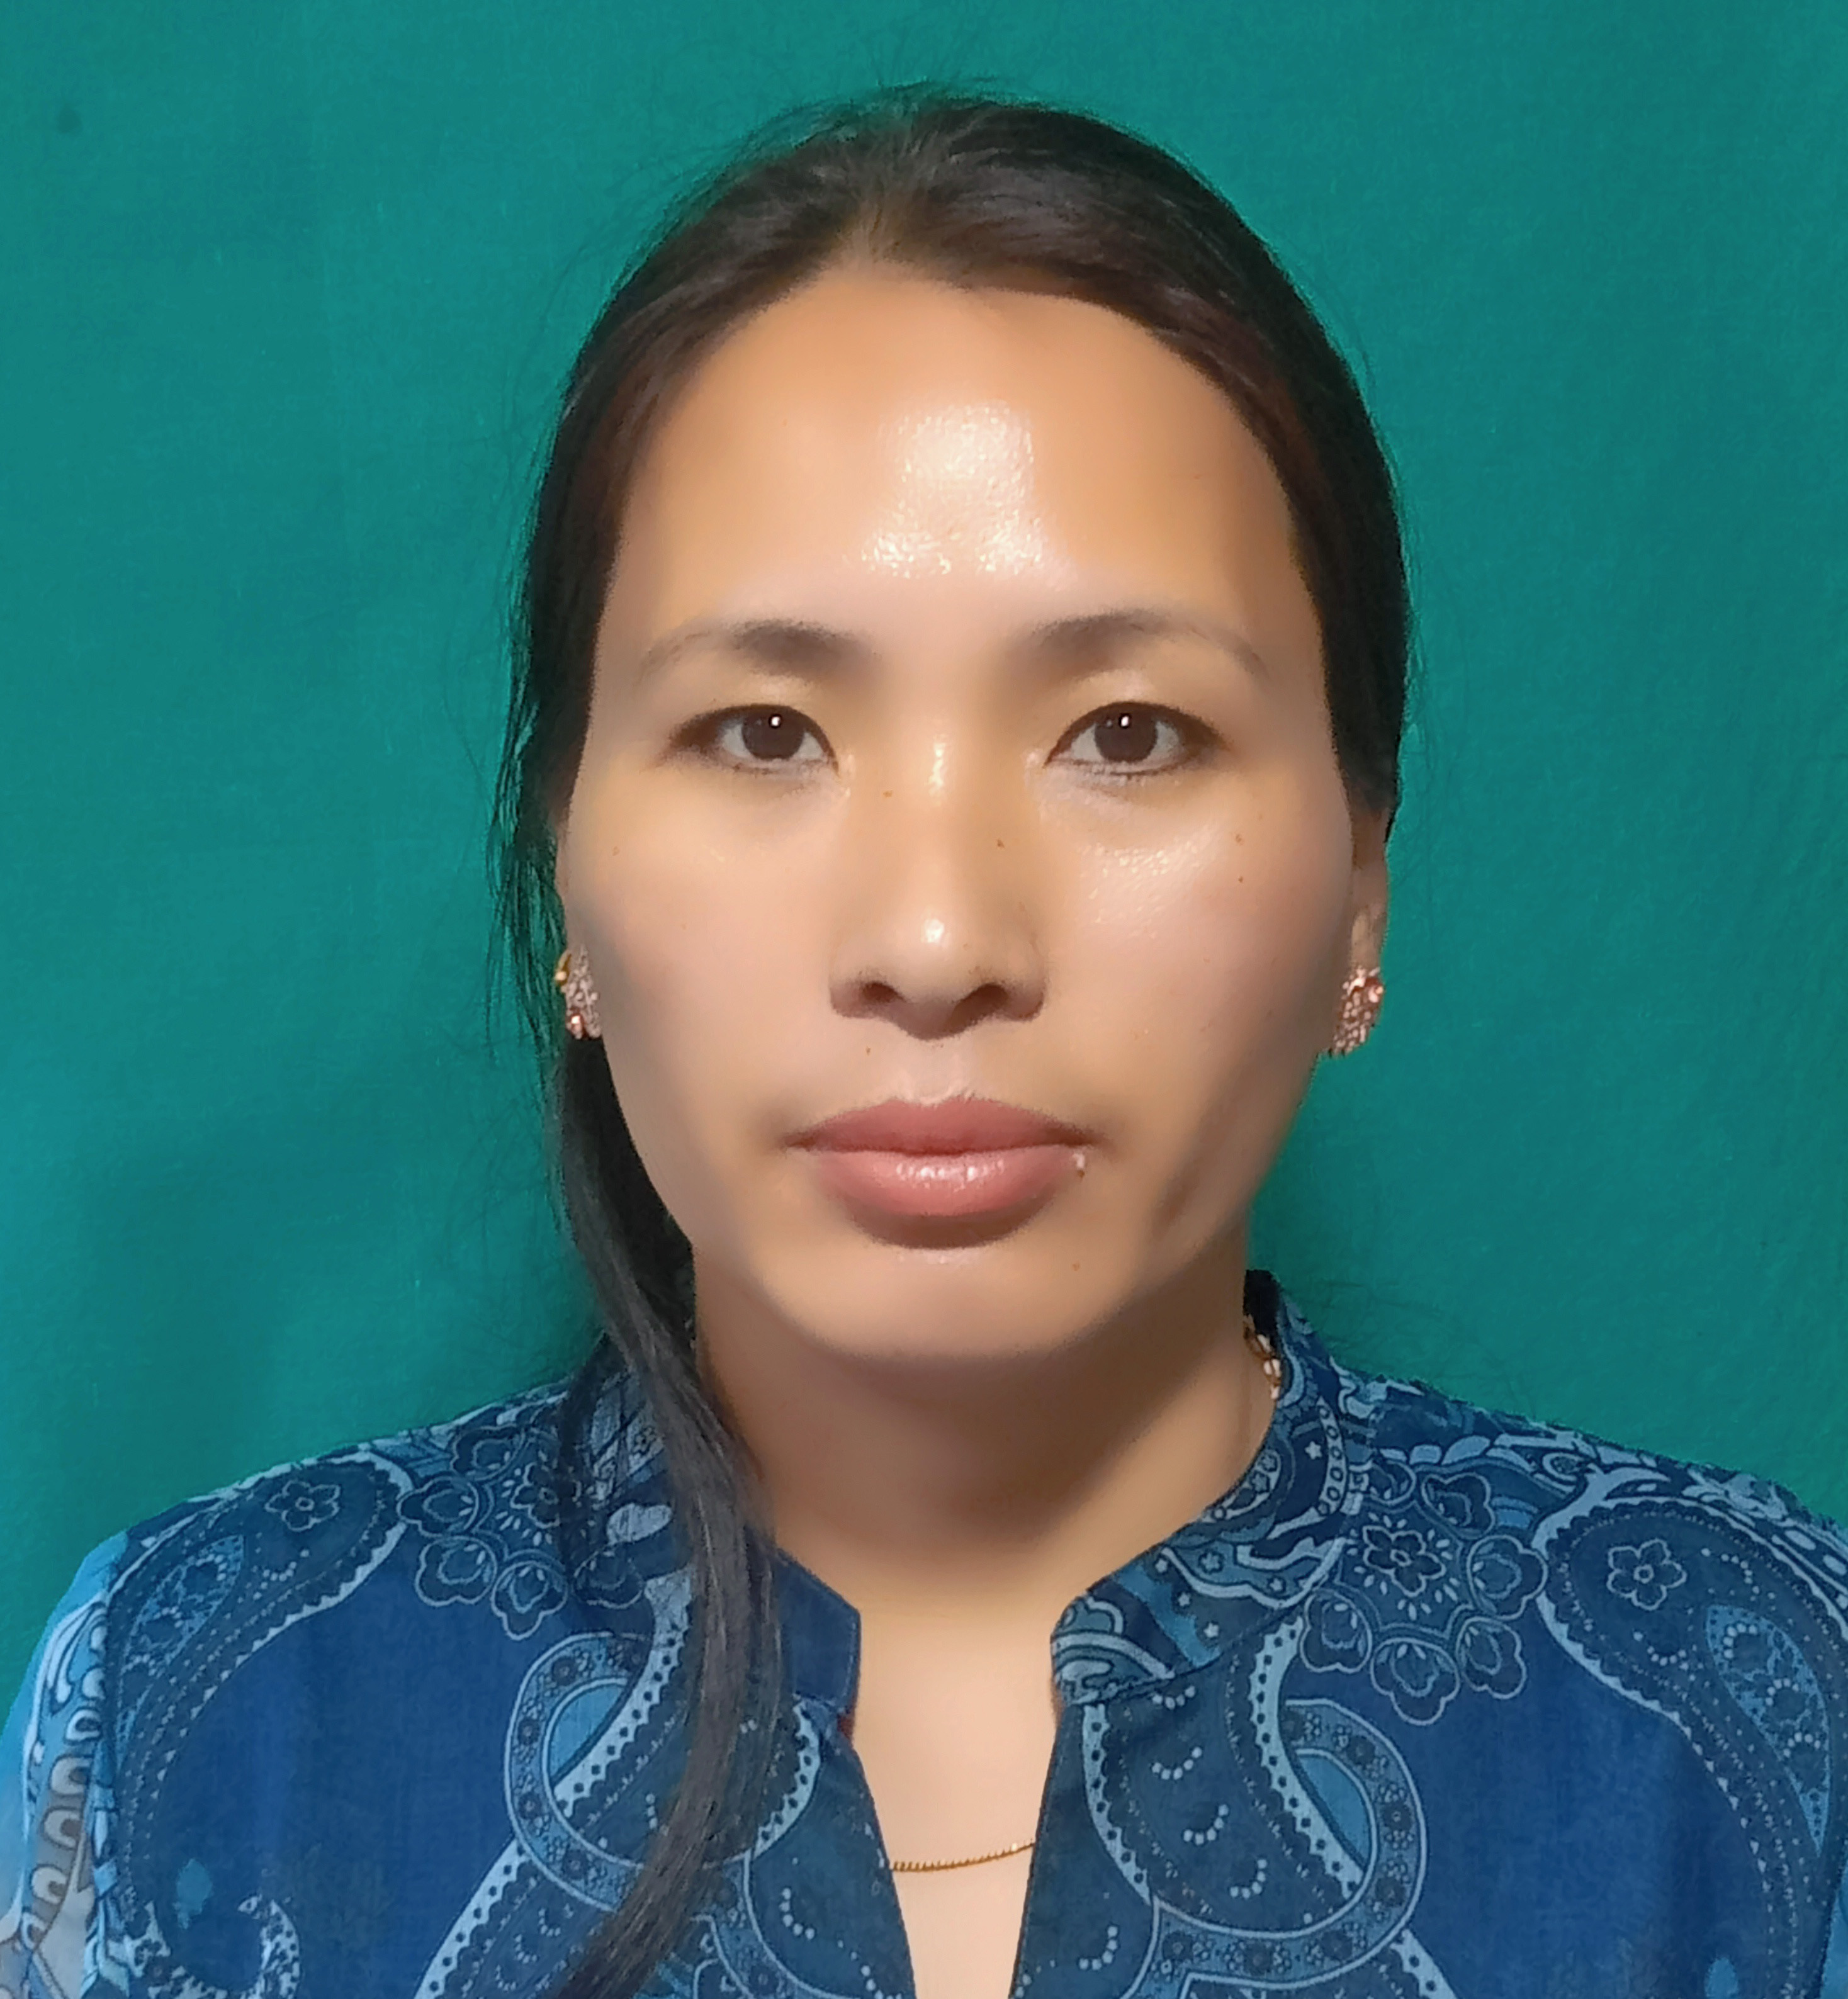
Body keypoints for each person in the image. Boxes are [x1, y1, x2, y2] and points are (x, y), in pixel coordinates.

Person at [4, 87, 1846, 1999]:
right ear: (567, 878)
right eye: (764, 735)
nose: (938, 943)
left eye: (1128, 734)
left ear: (1362, 885)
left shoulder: (1755, 1733)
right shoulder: (200, 1721)